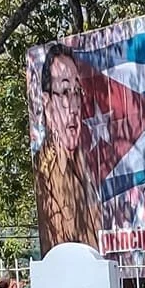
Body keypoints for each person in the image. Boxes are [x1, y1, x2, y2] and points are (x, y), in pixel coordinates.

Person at [34, 44, 103, 251]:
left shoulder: (86, 163)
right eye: (64, 92)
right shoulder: (45, 172)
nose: (73, 107)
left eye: (76, 92)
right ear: (47, 104)